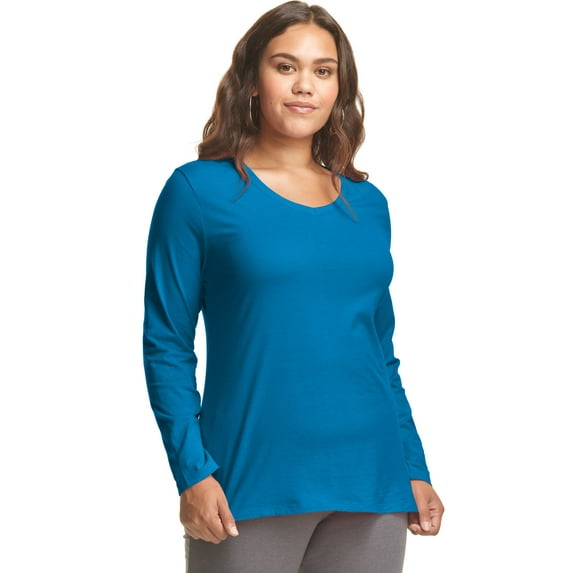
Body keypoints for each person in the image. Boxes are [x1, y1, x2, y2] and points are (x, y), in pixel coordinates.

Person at [142, 1, 444, 571]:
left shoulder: (367, 205)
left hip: (374, 482)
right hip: (248, 484)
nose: (305, 85)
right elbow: (166, 345)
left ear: (339, 88)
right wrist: (192, 472)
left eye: (323, 71)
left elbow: (379, 353)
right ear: (253, 80)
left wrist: (413, 465)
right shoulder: (198, 192)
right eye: (286, 66)